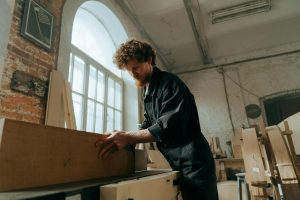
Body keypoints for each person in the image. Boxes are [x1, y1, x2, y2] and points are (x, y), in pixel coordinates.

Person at [95, 39, 218, 200]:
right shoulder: (148, 89)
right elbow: (149, 123)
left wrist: (128, 137)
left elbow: (166, 127)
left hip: (194, 160)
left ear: (149, 60)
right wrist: (125, 134)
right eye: (128, 70)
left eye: (136, 68)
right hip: (176, 160)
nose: (132, 74)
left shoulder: (170, 84)